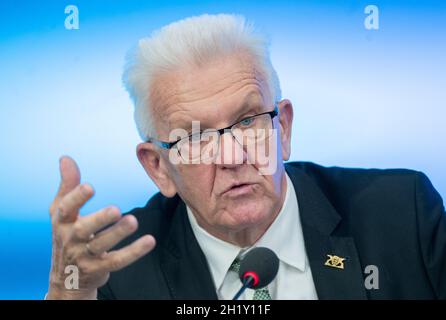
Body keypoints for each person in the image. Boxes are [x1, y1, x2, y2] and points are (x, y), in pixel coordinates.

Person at [46, 14, 446, 300]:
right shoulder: (115, 270)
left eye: (247, 121)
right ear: (158, 167)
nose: (232, 155)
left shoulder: (401, 215)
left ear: (283, 129)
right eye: (198, 136)